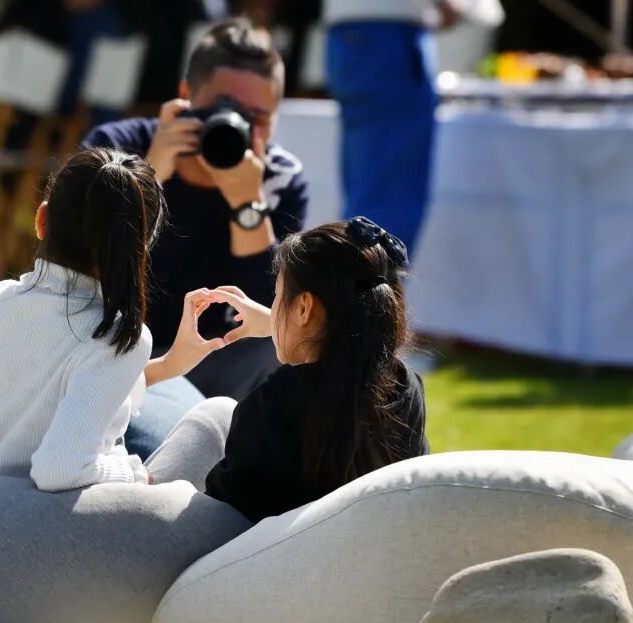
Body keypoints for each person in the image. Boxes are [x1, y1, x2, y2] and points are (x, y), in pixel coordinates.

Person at [82, 18, 310, 456]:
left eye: (258, 118)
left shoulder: (278, 177)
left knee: (283, 346)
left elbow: (270, 312)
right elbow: (82, 267)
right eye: (223, 108)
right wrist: (148, 176)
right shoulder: (116, 149)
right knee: (173, 445)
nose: (237, 126)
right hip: (118, 355)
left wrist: (247, 204)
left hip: (218, 359)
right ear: (186, 96)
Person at [0, 147, 225, 491]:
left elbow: (58, 384)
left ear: (41, 220)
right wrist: (133, 474)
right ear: (139, 248)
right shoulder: (113, 335)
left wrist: (169, 365)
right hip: (49, 515)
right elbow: (60, 470)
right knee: (218, 417)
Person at [146, 217, 429, 522]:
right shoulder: (406, 388)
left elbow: (218, 520)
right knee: (216, 413)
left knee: (201, 427)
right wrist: (277, 322)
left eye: (278, 295)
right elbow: (346, 348)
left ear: (304, 308)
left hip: (241, 548)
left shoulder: (273, 405)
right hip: (351, 544)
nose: (275, 304)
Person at [323, 0, 459, 257]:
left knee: (370, 193)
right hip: (391, 37)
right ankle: (365, 282)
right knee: (388, 200)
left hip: (349, 35)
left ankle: (350, 278)